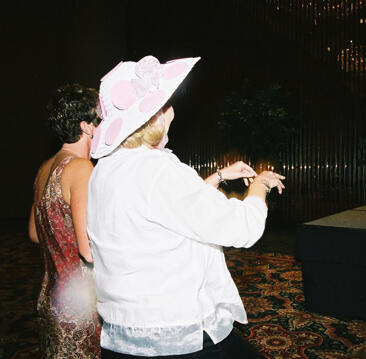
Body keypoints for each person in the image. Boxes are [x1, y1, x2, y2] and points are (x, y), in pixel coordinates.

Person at [87, 55, 285, 358]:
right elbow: (242, 228)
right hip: (176, 336)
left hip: (122, 337)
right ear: (154, 118)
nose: (172, 112)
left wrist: (218, 176)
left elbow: (159, 214)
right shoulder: (158, 169)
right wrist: (261, 186)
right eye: (166, 105)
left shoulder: (104, 170)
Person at [28, 83, 102, 358]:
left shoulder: (45, 168)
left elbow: (35, 233)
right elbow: (88, 252)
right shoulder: (81, 168)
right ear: (87, 126)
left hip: (51, 296)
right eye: (101, 118)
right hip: (81, 303)